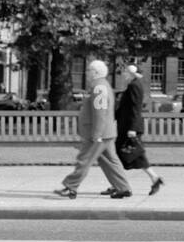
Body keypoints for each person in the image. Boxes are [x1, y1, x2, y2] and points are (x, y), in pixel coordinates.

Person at [55, 60, 131, 200]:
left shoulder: (99, 88)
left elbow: (100, 112)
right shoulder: (101, 86)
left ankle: (71, 186)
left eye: (89, 70)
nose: (87, 73)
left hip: (97, 133)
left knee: (84, 159)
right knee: (110, 161)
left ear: (96, 72)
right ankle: (123, 187)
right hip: (106, 132)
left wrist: (96, 134)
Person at [112, 63, 165, 197]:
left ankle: (118, 185)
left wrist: (133, 128)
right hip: (127, 127)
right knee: (134, 156)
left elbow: (136, 108)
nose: (123, 74)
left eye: (126, 72)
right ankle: (154, 179)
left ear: (131, 74)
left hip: (129, 128)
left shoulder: (134, 86)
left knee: (116, 156)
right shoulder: (133, 85)